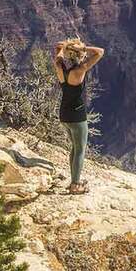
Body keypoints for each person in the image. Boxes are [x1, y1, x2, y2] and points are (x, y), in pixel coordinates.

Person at [52, 38, 104, 195]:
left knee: (74, 148)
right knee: (80, 150)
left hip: (64, 115)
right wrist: (82, 48)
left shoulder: (60, 67)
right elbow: (100, 52)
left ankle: (75, 179)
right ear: (79, 55)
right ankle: (75, 184)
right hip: (77, 116)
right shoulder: (80, 70)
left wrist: (67, 48)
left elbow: (58, 50)